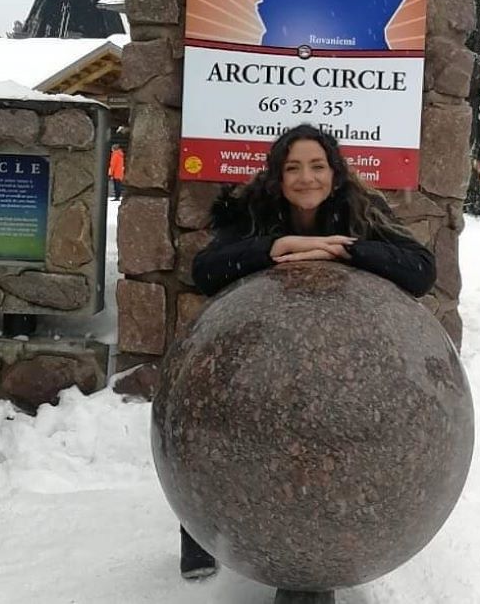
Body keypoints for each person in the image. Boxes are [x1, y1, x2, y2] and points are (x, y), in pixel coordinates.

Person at [179, 124, 437, 580]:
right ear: (277, 177)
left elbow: (421, 270)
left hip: (345, 356)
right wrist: (277, 246)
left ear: (334, 175)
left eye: (317, 166)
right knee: (215, 424)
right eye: (292, 168)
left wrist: (346, 250)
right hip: (253, 347)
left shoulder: (362, 211)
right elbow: (206, 270)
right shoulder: (252, 212)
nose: (306, 178)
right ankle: (199, 527)